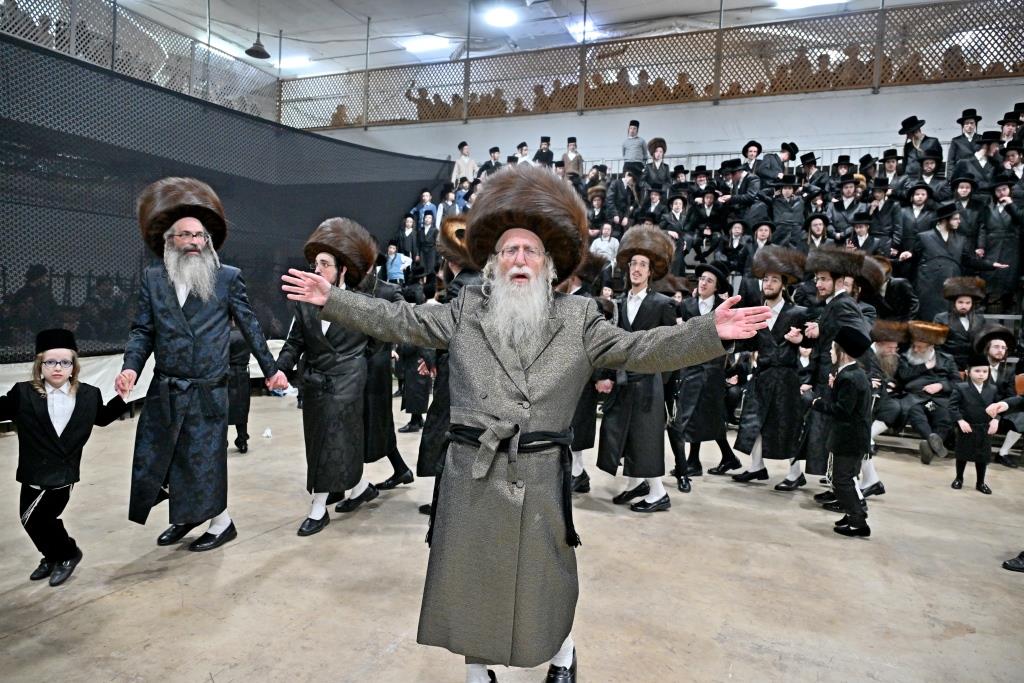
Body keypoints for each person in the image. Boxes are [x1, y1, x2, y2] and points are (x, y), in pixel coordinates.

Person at [281, 164, 770, 682]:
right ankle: (478, 672)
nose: (519, 258)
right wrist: (332, 298)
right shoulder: (465, 309)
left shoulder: (579, 318)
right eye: (509, 250)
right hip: (471, 473)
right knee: (469, 579)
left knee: (545, 580)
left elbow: (639, 349)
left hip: (538, 475)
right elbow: (400, 320)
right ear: (493, 264)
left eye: (531, 251)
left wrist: (707, 332)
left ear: (549, 265)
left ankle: (562, 654)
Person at [116, 177, 287, 552]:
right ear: (170, 241)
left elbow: (250, 325)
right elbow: (143, 330)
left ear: (208, 242)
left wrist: (271, 369)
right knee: (169, 457)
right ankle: (185, 517)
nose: (194, 241)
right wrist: (131, 367)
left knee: (205, 459)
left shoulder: (227, 278)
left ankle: (221, 523)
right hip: (167, 387)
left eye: (200, 236)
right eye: (186, 235)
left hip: (208, 387)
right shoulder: (153, 279)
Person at [275, 218, 380, 536]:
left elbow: (376, 341)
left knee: (329, 442)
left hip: (347, 383)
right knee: (326, 442)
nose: (317, 269)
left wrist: (353, 363)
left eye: (325, 264)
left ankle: (318, 508)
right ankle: (360, 487)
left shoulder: (360, 304)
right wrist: (280, 369)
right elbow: (295, 342)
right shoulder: (305, 303)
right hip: (315, 385)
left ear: (342, 270)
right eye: (316, 263)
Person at [2, 329, 127, 586]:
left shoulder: (89, 395)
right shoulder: (22, 393)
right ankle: (53, 555)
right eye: (50, 362)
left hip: (63, 472)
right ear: (40, 365)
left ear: (73, 366)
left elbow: (103, 418)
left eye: (65, 362)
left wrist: (122, 397)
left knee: (41, 519)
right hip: (33, 471)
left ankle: (68, 554)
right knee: (30, 520)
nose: (57, 368)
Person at [598, 226, 680, 509]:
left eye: (643, 265)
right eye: (633, 263)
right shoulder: (619, 304)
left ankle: (659, 493)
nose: (636, 269)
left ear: (650, 272)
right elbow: (614, 344)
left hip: (648, 382)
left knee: (646, 437)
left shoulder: (663, 304)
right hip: (624, 381)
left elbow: (672, 348)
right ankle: (635, 484)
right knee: (627, 434)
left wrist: (659, 380)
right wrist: (608, 375)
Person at [781, 245, 869, 491]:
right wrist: (808, 337)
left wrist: (824, 330)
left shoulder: (843, 304)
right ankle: (839, 489)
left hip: (838, 379)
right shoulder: (833, 304)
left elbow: (860, 337)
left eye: (823, 279)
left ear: (839, 281)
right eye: (816, 279)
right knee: (830, 436)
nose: (818, 284)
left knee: (839, 437)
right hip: (828, 378)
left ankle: (848, 492)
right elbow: (828, 340)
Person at [415, 215, 482, 516]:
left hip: (455, 374)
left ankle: (445, 500)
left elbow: (450, 332)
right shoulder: (483, 282)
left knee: (445, 434)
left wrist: (432, 359)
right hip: (476, 374)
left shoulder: (460, 287)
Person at [732, 246, 809, 484]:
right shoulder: (757, 314)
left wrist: (801, 340)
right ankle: (757, 467)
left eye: (775, 280)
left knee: (788, 425)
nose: (769, 283)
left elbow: (813, 341)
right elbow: (746, 343)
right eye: (766, 279)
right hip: (762, 375)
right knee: (754, 421)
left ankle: (796, 474)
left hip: (786, 378)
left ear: (783, 285)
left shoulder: (798, 312)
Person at [671, 262, 740, 481]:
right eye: (701, 279)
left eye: (709, 281)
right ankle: (706, 460)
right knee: (691, 414)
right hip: (691, 367)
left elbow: (729, 340)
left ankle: (699, 461)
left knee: (707, 414)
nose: (703, 283)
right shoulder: (687, 304)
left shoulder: (723, 307)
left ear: (716, 287)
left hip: (712, 369)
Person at [809, 325, 874, 537]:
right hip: (854, 436)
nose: (829, 351)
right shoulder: (853, 374)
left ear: (842, 352)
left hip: (849, 438)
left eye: (832, 348)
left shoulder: (849, 378)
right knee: (847, 478)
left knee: (841, 480)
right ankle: (852, 514)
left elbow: (842, 411)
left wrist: (817, 403)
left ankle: (858, 522)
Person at [898, 320, 959, 465]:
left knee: (944, 416)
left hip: (935, 400)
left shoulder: (946, 359)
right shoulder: (906, 357)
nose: (916, 349)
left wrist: (941, 385)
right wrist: (924, 366)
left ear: (931, 346)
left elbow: (957, 382)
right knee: (916, 413)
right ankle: (932, 440)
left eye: (920, 347)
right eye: (914, 346)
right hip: (916, 398)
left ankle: (930, 446)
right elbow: (903, 376)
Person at [949, 354, 1001, 494]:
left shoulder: (993, 389)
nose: (981, 374)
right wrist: (960, 420)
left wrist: (996, 419)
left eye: (985, 371)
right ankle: (959, 478)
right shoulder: (961, 387)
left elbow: (999, 407)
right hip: (967, 426)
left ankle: (980, 482)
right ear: (968, 372)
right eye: (977, 371)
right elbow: (952, 407)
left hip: (984, 427)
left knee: (982, 457)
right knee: (962, 454)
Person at [934, 276, 987, 369]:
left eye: (968, 303)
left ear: (972, 304)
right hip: (949, 365)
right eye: (960, 302)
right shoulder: (941, 318)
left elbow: (981, 343)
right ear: (954, 303)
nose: (964, 306)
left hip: (972, 366)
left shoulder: (979, 319)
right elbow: (937, 345)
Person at [226, 323, 252, 453]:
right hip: (243, 373)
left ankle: (222, 441)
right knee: (242, 408)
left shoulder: (224, 335)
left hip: (226, 374)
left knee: (224, 409)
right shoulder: (246, 334)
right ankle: (242, 441)